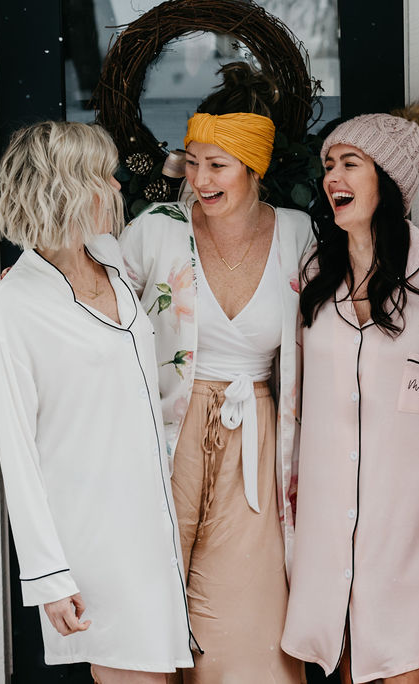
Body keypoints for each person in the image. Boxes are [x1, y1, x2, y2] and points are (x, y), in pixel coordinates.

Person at [0, 121, 194, 684]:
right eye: (102, 177)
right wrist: (49, 577)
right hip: (97, 541)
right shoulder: (14, 304)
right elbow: (17, 451)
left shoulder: (112, 260)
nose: (118, 187)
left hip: (159, 521)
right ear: (66, 189)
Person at [118, 64, 310, 683]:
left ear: (253, 167)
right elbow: (98, 307)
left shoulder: (299, 237)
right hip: (164, 440)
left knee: (244, 634)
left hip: (253, 444)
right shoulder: (154, 233)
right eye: (193, 162)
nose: (200, 180)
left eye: (218, 165)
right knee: (146, 624)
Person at [281, 110, 419, 684]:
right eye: (328, 165)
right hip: (330, 526)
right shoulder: (317, 273)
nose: (333, 177)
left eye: (350, 163)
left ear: (387, 179)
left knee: (400, 667)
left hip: (414, 528)